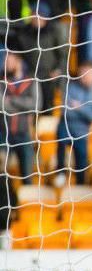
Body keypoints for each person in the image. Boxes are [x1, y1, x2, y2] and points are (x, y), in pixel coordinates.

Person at [55, 61, 92, 186]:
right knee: (60, 138)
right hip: (66, 125)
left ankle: (81, 184)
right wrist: (87, 113)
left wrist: (80, 108)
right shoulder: (70, 88)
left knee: (81, 158)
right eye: (83, 73)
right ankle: (60, 172)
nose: (85, 76)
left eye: (88, 73)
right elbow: (66, 111)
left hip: (82, 131)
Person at [0, 52, 38, 183]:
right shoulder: (2, 82)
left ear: (18, 61)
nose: (6, 63)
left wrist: (13, 100)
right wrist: (23, 105)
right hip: (4, 134)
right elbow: (2, 105)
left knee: (27, 176)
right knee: (2, 175)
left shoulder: (31, 82)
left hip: (24, 134)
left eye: (9, 60)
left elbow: (36, 105)